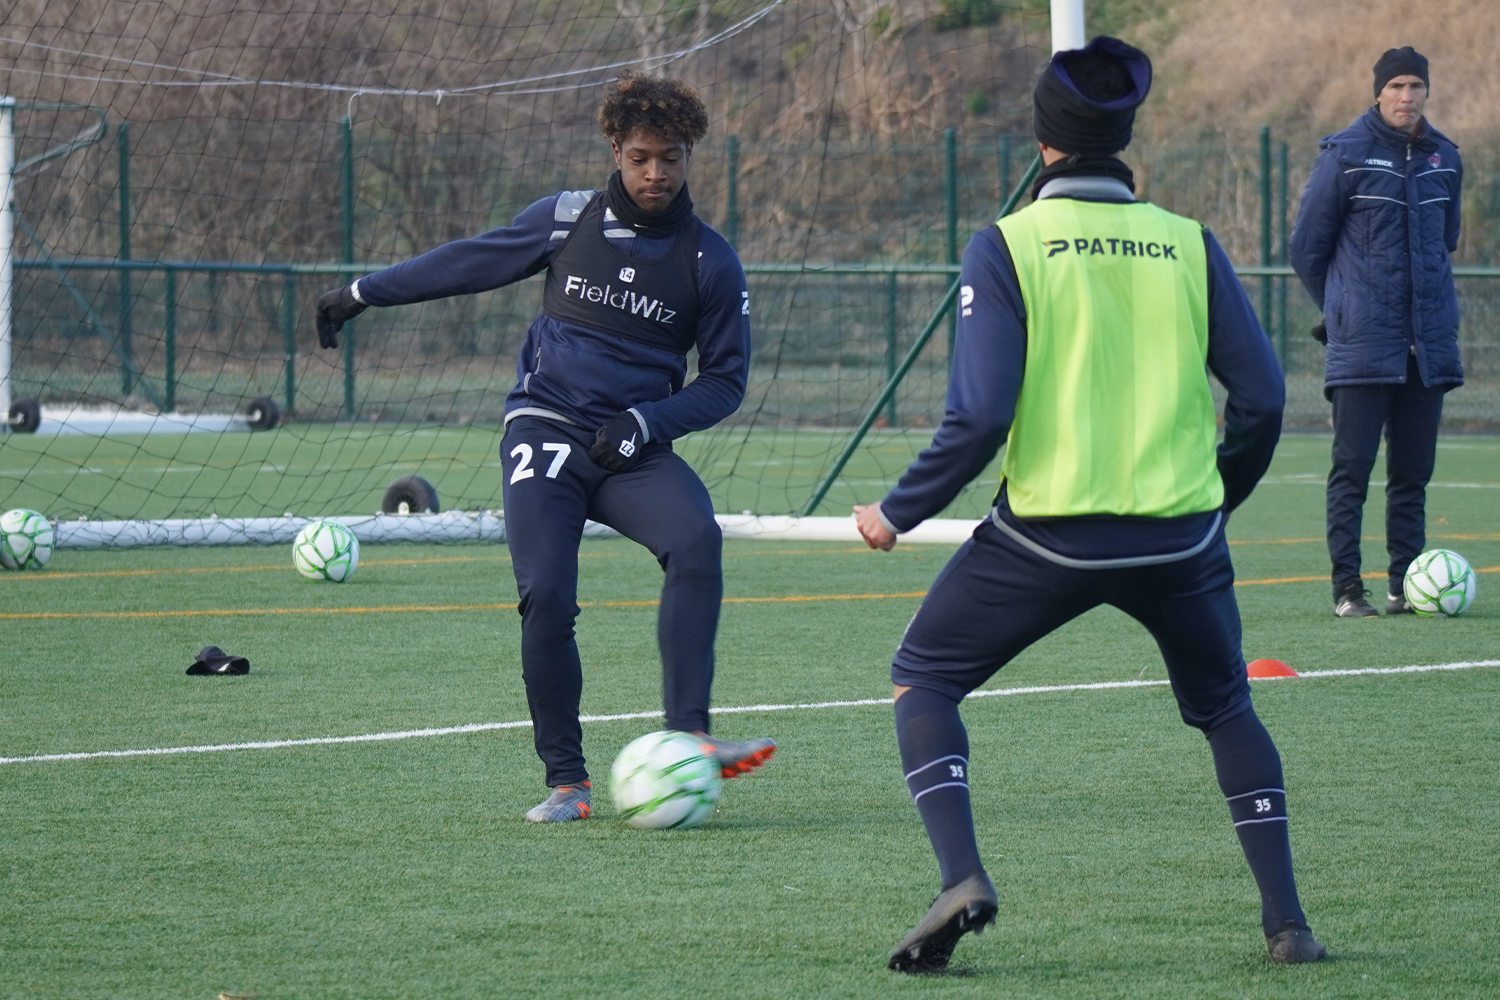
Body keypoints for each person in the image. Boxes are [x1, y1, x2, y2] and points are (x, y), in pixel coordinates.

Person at [854, 37, 1326, 972]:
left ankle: (961, 876)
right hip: (1182, 540)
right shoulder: (1189, 242)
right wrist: (1215, 499)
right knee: (1228, 705)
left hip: (1049, 540)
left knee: (925, 677)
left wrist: (896, 511)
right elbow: (1266, 398)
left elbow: (980, 414)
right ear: (1127, 138)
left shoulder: (1008, 243)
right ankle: (1289, 926)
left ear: (1043, 143)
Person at [315, 74, 774, 822]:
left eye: (670, 158)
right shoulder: (566, 221)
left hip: (630, 448)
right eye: (639, 158)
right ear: (615, 153)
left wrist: (647, 423)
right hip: (546, 431)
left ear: (689, 157)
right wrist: (363, 293)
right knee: (548, 595)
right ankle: (568, 782)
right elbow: (465, 262)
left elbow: (725, 382)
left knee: (697, 538)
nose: (655, 173)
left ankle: (690, 736)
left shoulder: (710, 262)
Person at [1290, 46, 1463, 618]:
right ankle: (1347, 591)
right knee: (1352, 472)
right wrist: (1340, 310)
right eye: (1396, 87)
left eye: (1416, 86)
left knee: (1412, 476)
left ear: (1427, 92)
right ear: (1378, 92)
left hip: (1426, 346)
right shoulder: (1346, 156)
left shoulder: (1446, 159)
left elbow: (1445, 242)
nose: (1406, 97)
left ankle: (1404, 589)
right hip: (1363, 343)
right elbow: (1306, 250)